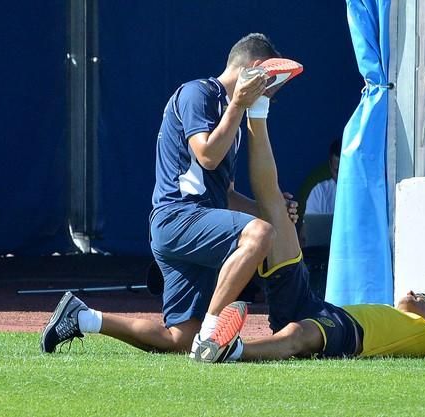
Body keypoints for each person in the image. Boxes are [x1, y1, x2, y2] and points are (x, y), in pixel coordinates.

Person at [190, 88, 425, 363]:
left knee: (298, 335)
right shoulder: (397, 313)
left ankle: (232, 352)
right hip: (317, 306)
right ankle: (257, 109)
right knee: (272, 207)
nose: (413, 291)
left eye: (424, 298)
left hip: (348, 332)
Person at [41, 33, 298, 354]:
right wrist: (238, 105)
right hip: (179, 219)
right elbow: (206, 154)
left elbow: (225, 194)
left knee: (179, 339)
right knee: (260, 236)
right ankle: (212, 331)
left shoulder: (229, 111)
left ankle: (83, 317)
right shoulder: (199, 93)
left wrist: (269, 209)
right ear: (256, 68)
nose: (273, 92)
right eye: (271, 81)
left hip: (193, 225)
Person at [304, 138, 341, 215]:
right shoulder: (319, 192)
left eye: (344, 171)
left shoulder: (367, 191)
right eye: (337, 171)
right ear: (330, 167)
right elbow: (308, 226)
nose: (341, 176)